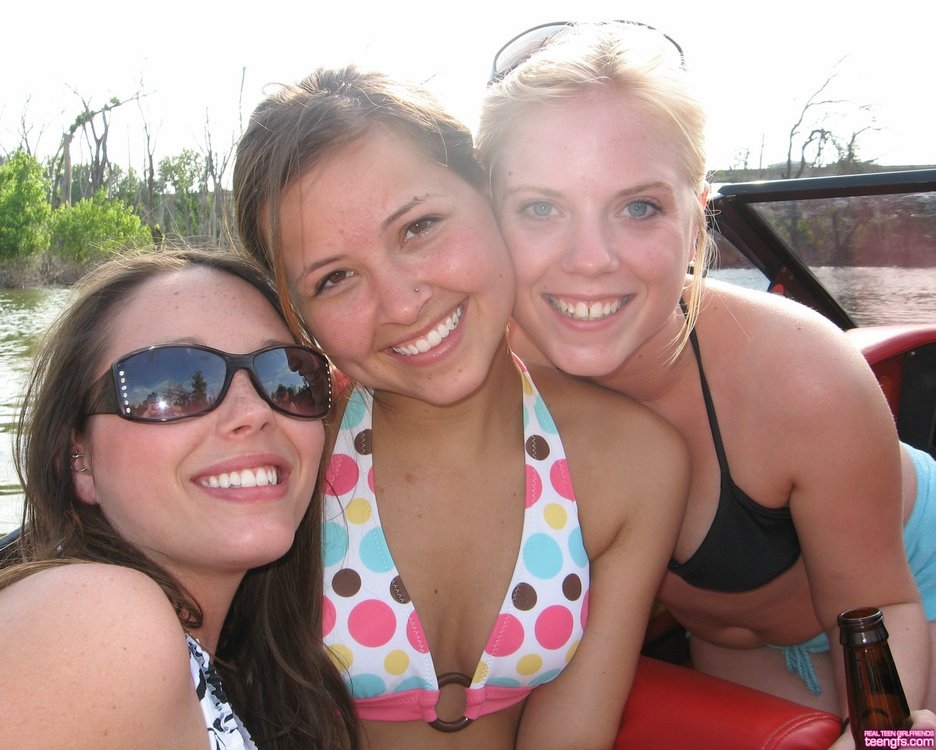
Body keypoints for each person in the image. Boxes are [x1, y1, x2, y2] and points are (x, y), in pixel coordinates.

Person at [477, 18, 936, 732]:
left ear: (696, 220)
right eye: (540, 207)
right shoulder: (477, 381)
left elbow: (876, 605)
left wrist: (883, 740)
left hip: (903, 601)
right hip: (731, 648)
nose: (590, 258)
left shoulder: (802, 375)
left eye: (639, 207)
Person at [233, 66, 690, 749]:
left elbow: (572, 736)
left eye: (418, 228)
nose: (401, 304)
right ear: (299, 317)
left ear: (490, 196)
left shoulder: (632, 462)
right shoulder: (284, 458)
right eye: (335, 278)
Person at [0, 249, 358, 750]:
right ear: (79, 461)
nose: (254, 411)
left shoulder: (240, 673)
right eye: (175, 385)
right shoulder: (97, 623)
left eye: (288, 376)